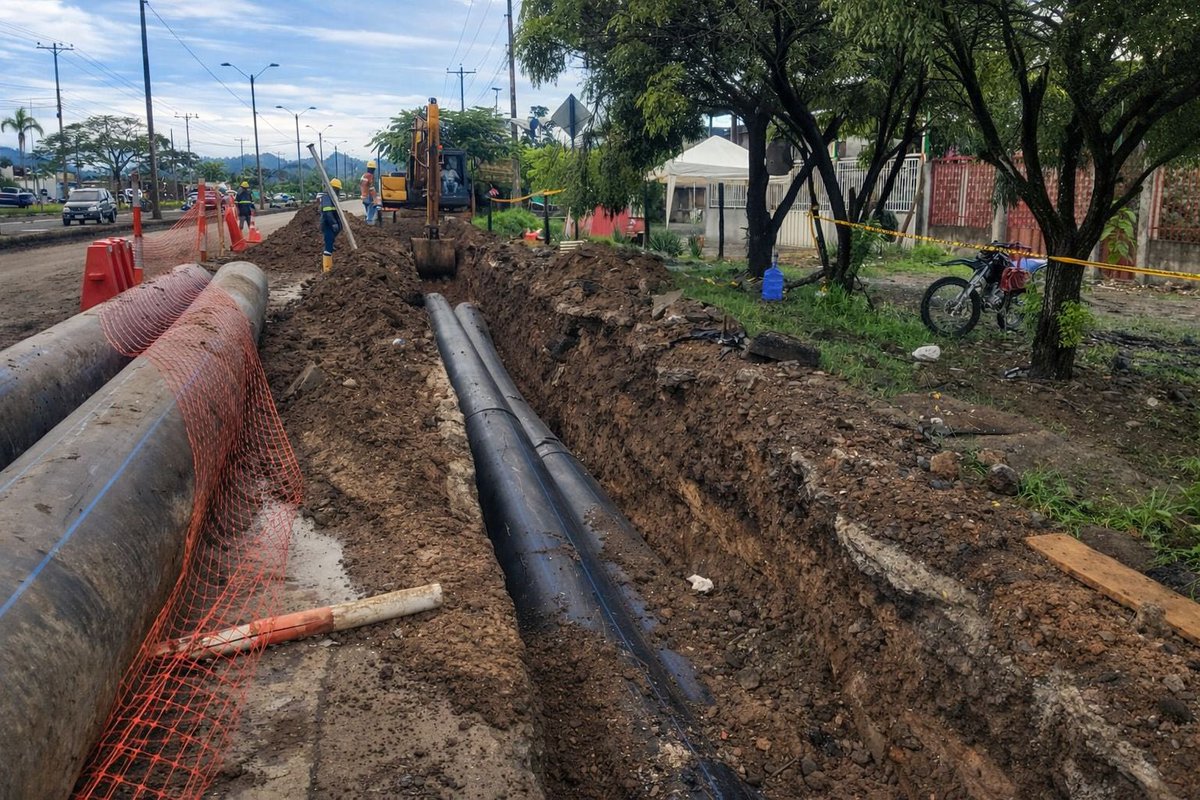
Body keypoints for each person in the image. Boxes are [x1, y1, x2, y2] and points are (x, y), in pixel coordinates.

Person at [319, 178, 343, 271]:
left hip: (331, 224)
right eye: (337, 190)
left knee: (330, 245)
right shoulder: (326, 197)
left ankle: (329, 266)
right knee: (328, 246)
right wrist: (334, 223)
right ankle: (327, 269)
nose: (338, 191)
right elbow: (328, 212)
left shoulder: (332, 198)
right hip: (327, 225)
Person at [360, 160, 379, 224]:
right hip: (368, 196)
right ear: (374, 169)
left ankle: (367, 220)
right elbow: (371, 188)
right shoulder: (370, 176)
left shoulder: (363, 175)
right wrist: (375, 199)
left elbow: (362, 185)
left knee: (368, 210)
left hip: (363, 196)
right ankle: (369, 222)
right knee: (373, 206)